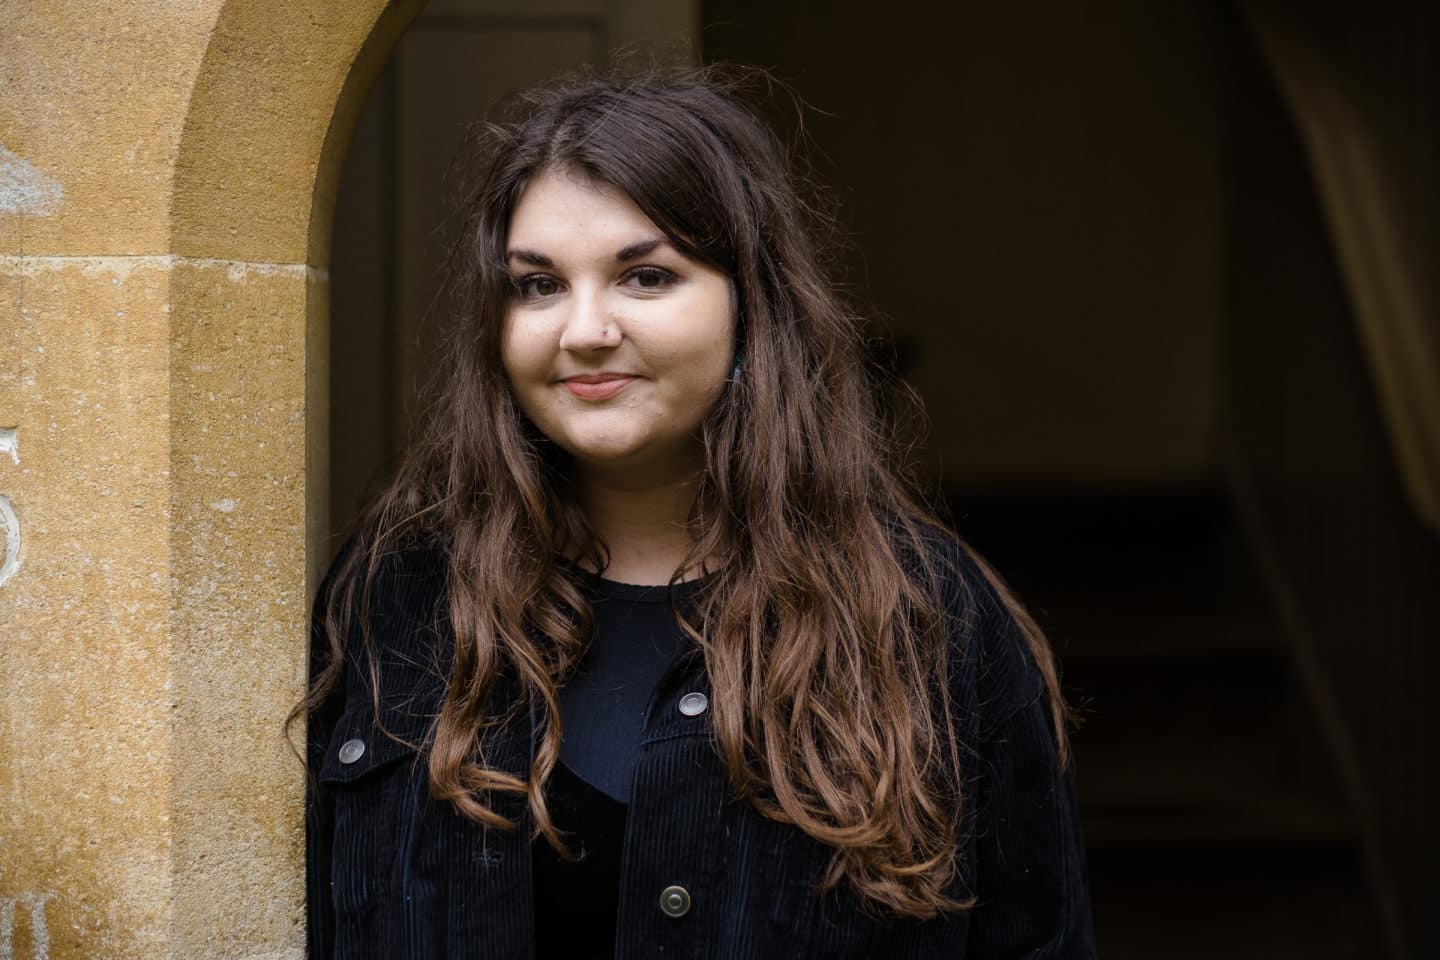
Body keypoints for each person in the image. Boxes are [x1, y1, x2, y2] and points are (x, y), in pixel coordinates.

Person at [293, 65, 1095, 959]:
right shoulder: (395, 598)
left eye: (645, 276)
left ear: (752, 309)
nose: (585, 329)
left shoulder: (924, 619)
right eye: (538, 285)